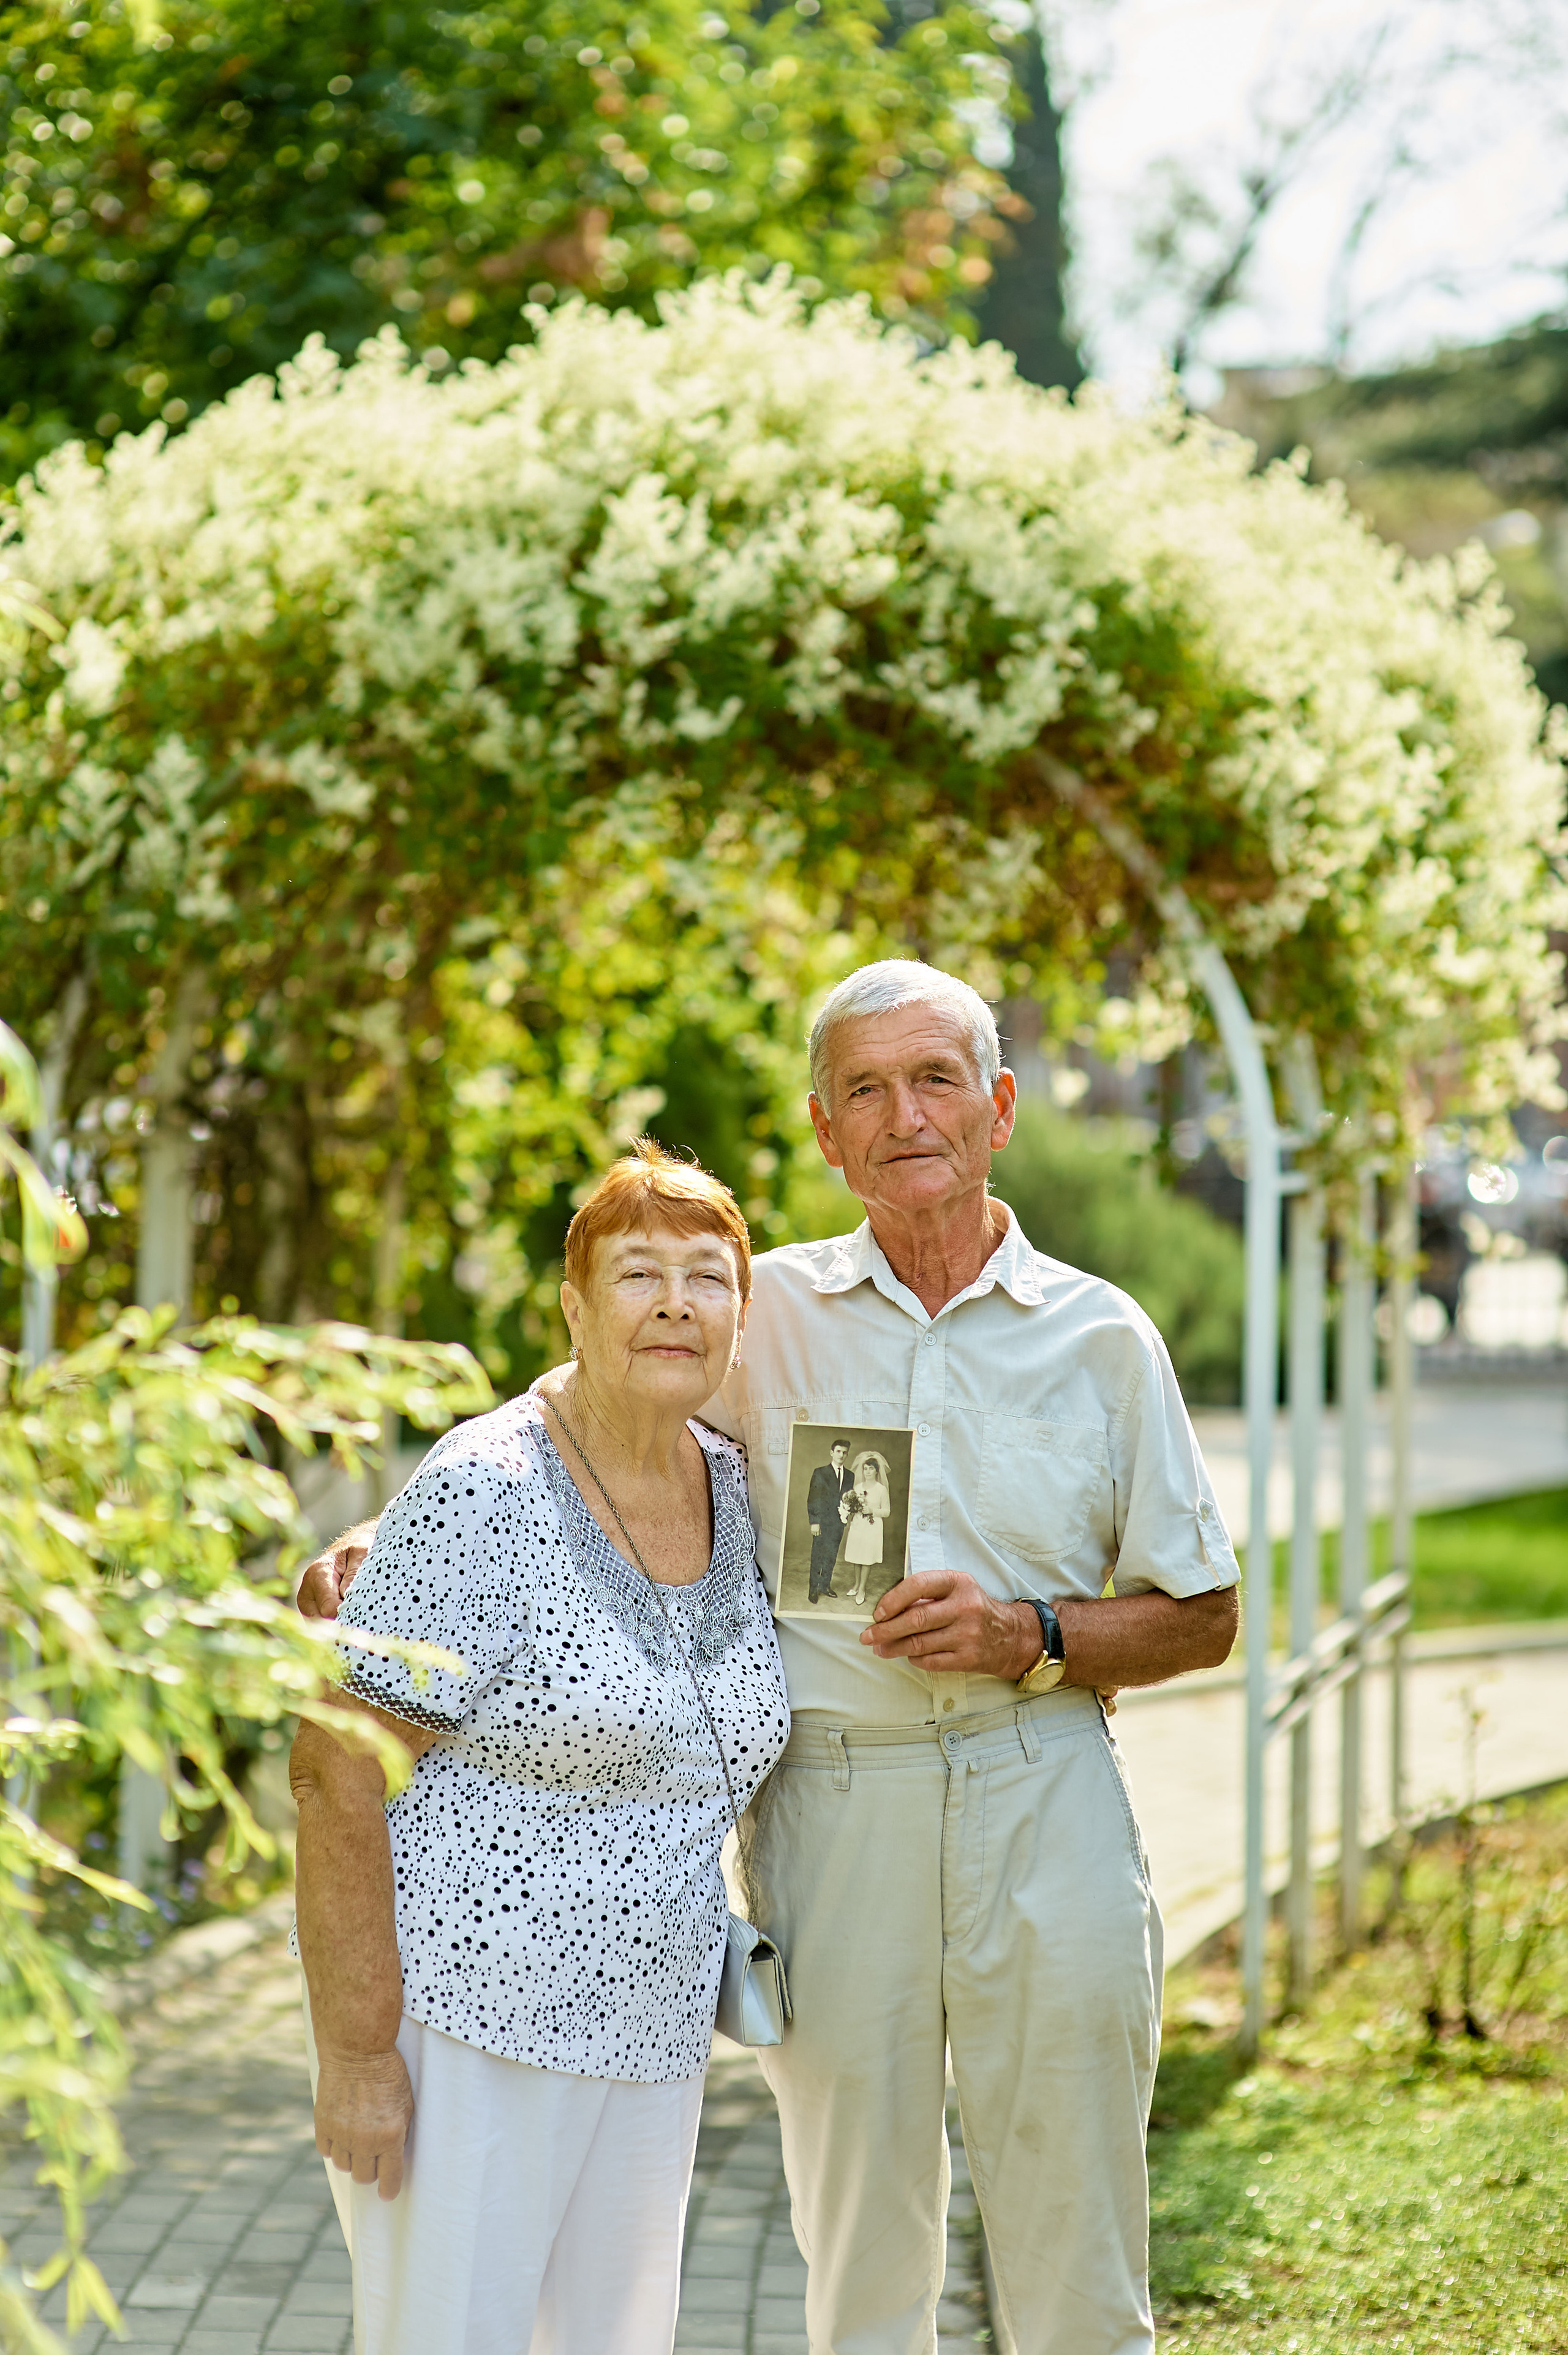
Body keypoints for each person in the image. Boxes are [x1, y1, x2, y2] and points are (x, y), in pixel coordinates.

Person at [301, 960, 1240, 2355]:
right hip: (833, 1808)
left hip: (1041, 1783)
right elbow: (589, 1412)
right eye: (862, 1088)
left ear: (997, 1106)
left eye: (932, 1080)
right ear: (822, 1130)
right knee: (860, 2251)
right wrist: (398, 1526)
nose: (901, 1115)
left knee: (1078, 2247)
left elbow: (1200, 1611)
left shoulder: (1102, 1337)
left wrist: (1028, 1635)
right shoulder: (760, 1309)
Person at [288, 1140, 789, 2355]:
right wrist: (356, 2052)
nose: (675, 1299)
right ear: (573, 1305)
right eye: (637, 1272)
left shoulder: (738, 1482)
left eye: (706, 1274)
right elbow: (333, 1767)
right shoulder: (483, 1486)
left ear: (740, 1311)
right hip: (466, 2034)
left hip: (652, 2031)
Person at [805, 1439, 853, 1602]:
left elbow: (848, 1499)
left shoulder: (850, 1476)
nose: (841, 1455)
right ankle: (813, 1590)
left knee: (831, 1556)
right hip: (822, 1522)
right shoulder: (820, 1472)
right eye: (838, 1451)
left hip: (838, 1523)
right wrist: (815, 1521)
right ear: (832, 1453)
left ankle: (825, 1586)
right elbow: (814, 1498)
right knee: (818, 1556)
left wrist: (847, 1515)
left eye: (845, 1452)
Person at [842, 1449, 891, 1607]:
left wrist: (872, 1511)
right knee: (857, 1556)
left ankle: (862, 1589)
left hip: (872, 1527)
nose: (867, 1472)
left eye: (871, 1468)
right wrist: (851, 1509)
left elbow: (887, 1512)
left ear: (877, 1471)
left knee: (867, 1558)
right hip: (858, 1525)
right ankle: (856, 1585)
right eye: (865, 1468)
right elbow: (852, 1505)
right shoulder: (857, 1487)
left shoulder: (881, 1489)